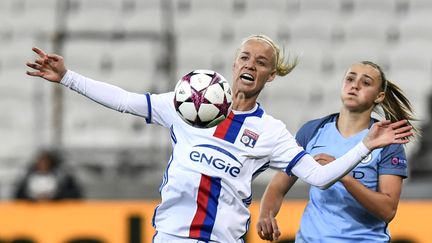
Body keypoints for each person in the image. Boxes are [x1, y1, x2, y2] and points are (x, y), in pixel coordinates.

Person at [26, 35, 412, 242]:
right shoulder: (191, 97)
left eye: (261, 62)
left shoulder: (270, 131)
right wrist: (69, 78)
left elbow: (319, 176)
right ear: (234, 62)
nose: (251, 65)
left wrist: (366, 145)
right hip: (171, 237)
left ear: (270, 76)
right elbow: (127, 101)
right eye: (245, 57)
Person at [256, 61, 417, 242]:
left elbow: (387, 210)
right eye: (350, 79)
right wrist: (265, 214)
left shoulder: (385, 142)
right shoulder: (313, 131)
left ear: (379, 96)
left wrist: (341, 174)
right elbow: (278, 186)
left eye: (366, 82)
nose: (355, 85)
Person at [14, 149, 83, 201]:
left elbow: (71, 195)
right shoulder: (29, 177)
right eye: (41, 162)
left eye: (46, 163)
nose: (43, 165)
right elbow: (20, 195)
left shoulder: (61, 177)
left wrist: (53, 198)